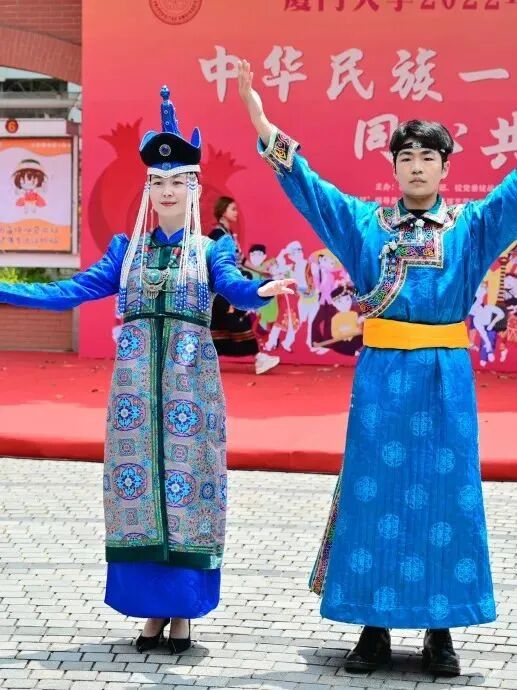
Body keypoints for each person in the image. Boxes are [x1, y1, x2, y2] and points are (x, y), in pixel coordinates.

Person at [237, 58, 517, 677]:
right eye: (406, 157)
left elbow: (513, 195)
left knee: (445, 497)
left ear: (446, 168)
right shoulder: (366, 225)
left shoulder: (471, 228)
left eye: (428, 157)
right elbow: (312, 192)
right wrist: (263, 125)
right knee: (374, 492)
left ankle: (441, 632)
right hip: (382, 378)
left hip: (445, 379)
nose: (416, 166)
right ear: (393, 168)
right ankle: (373, 628)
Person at [0, 85, 295, 654]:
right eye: (158, 182)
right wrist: (8, 290)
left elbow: (234, 286)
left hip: (191, 391)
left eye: (177, 181)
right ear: (148, 189)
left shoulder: (210, 249)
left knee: (187, 490)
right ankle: (150, 612)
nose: (166, 191)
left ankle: (183, 611)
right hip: (135, 393)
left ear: (194, 187)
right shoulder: (126, 250)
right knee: (137, 492)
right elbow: (71, 291)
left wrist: (259, 291)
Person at [208, 196, 280, 374]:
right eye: (233, 209)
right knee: (235, 319)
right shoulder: (217, 235)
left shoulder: (228, 233)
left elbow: (241, 259)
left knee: (220, 324)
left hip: (229, 285)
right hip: (224, 287)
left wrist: (261, 271)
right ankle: (258, 357)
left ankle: (208, 360)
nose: (236, 213)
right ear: (223, 211)